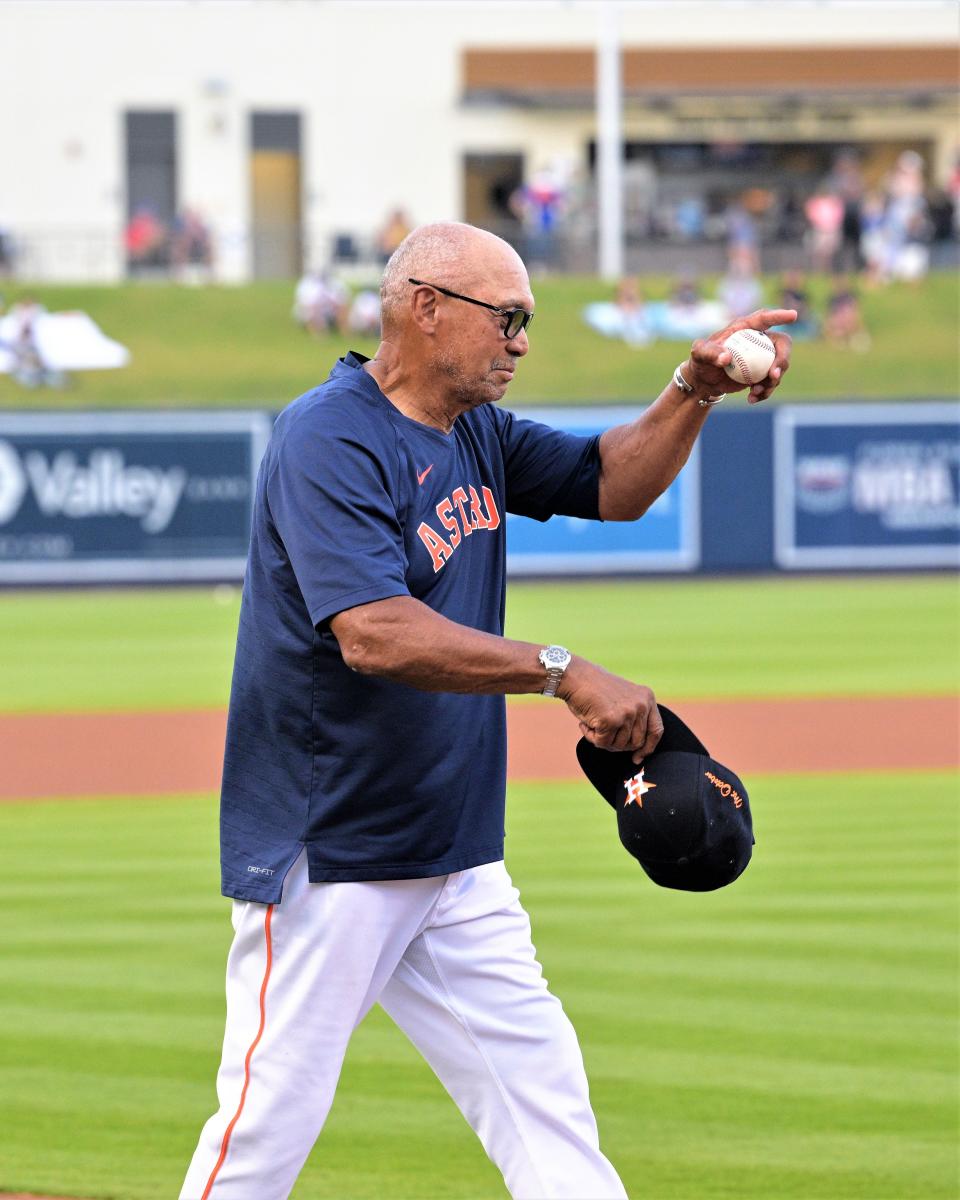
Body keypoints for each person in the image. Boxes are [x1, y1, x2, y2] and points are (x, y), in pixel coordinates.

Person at [179, 222, 795, 1200]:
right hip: (330, 849)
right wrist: (561, 670)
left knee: (545, 1103)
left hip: (455, 849)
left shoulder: (473, 431)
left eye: (525, 321)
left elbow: (611, 483)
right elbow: (374, 632)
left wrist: (697, 389)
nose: (520, 340)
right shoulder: (329, 436)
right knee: (264, 1130)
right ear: (426, 307)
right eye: (506, 317)